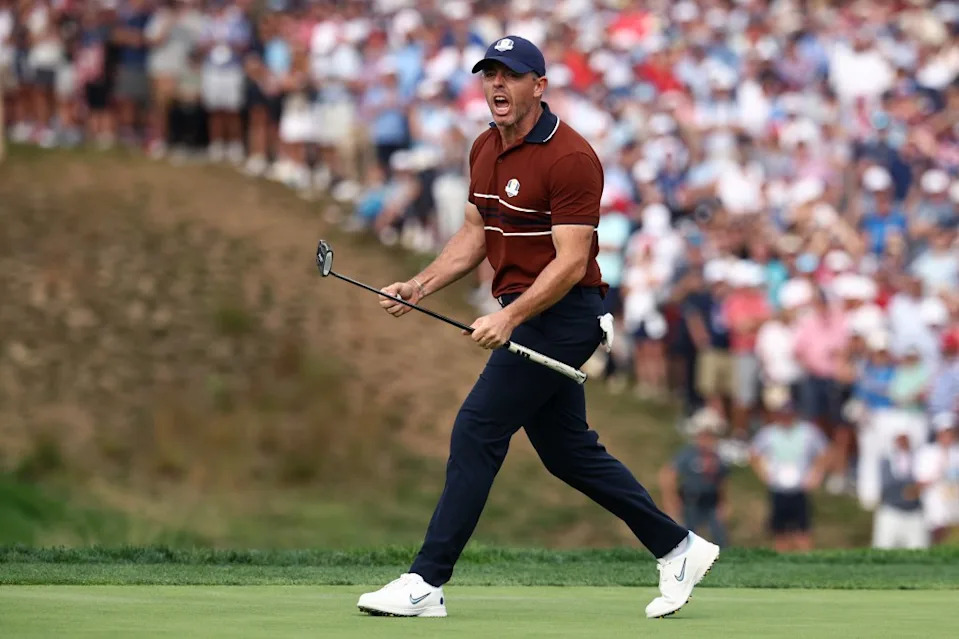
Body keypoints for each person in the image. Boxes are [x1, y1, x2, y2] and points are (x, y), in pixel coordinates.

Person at [357, 36, 719, 620]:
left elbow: (572, 261)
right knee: (568, 453)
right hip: (529, 310)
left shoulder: (570, 157)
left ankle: (426, 581)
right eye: (490, 74)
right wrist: (419, 285)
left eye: (511, 75)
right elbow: (474, 234)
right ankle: (679, 547)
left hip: (565, 314)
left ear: (539, 86)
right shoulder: (482, 148)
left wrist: (509, 316)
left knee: (477, 427)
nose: (497, 85)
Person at [750, 386, 829, 552]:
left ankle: (807, 564)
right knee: (780, 531)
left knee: (803, 531)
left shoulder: (808, 432)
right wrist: (763, 474)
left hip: (800, 488)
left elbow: (824, 453)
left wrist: (816, 474)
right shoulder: (769, 433)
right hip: (778, 488)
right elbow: (754, 454)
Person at [658, 407, 730, 548]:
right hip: (691, 501)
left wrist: (723, 502)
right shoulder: (687, 454)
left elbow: (722, 480)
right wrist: (670, 500)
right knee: (688, 539)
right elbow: (667, 475)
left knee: (720, 537)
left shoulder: (717, 457)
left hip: (711, 502)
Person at [872, 431, 928, 549]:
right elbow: (886, 487)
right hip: (891, 512)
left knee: (919, 552)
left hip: (914, 513)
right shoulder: (886, 459)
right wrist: (907, 492)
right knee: (883, 551)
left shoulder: (920, 458)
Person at [915, 413, 959, 545]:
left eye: (950, 432)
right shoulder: (926, 453)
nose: (947, 436)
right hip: (935, 507)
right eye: (944, 432)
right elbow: (920, 482)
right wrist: (939, 472)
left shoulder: (957, 452)